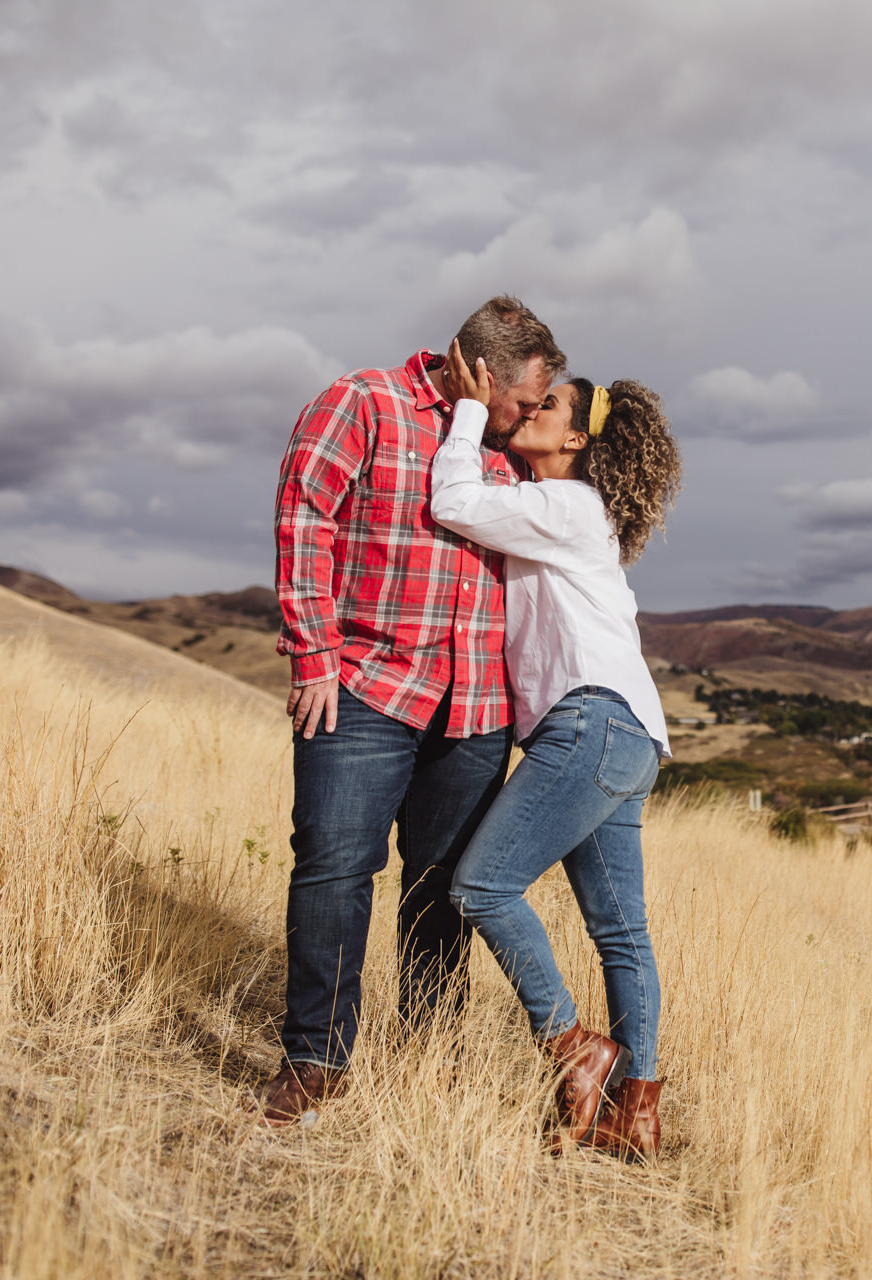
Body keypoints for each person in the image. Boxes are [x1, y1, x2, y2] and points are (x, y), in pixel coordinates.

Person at [256, 297, 565, 1128]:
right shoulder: (362, 402)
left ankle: (430, 1061)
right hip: (364, 688)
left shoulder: (510, 453)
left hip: (476, 711)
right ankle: (315, 1061)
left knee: (443, 892)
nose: (532, 416)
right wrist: (314, 655)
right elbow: (303, 516)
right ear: (484, 374)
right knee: (333, 867)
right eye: (526, 400)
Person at [428, 341, 681, 1161]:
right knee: (621, 934)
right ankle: (632, 1114)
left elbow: (454, 502)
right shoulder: (569, 510)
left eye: (549, 408)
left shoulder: (565, 506)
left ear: (576, 441)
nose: (530, 412)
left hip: (591, 723)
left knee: (480, 886)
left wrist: (470, 411)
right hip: (630, 733)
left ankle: (572, 1048)